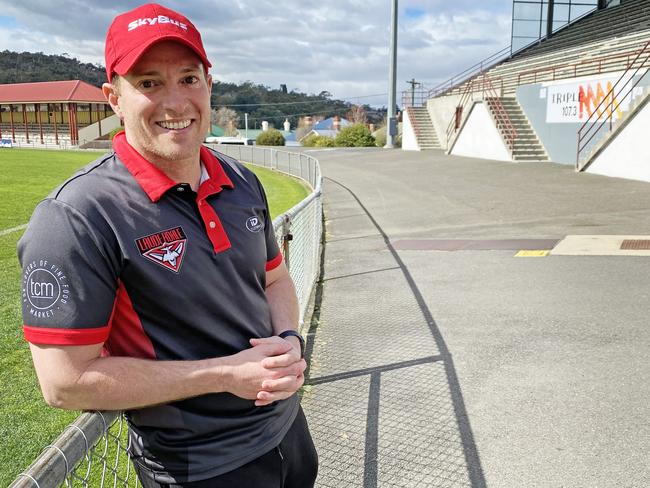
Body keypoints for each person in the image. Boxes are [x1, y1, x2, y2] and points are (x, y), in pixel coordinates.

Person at [17, 3, 318, 487]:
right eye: (150, 83)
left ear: (209, 85)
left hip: (287, 433)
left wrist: (287, 339)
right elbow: (65, 384)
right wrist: (223, 375)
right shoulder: (76, 217)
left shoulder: (240, 181)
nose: (176, 103)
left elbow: (275, 278)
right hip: (198, 468)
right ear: (114, 97)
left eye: (189, 79)